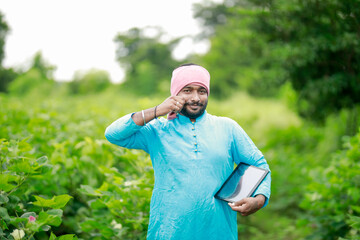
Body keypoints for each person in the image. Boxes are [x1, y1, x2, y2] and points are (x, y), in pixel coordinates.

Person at [105, 63, 271, 240]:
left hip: (219, 231)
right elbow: (113, 134)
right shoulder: (157, 130)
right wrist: (158, 110)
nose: (195, 98)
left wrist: (259, 199)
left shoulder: (227, 127)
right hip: (169, 232)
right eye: (187, 90)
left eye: (202, 91)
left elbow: (258, 164)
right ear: (175, 94)